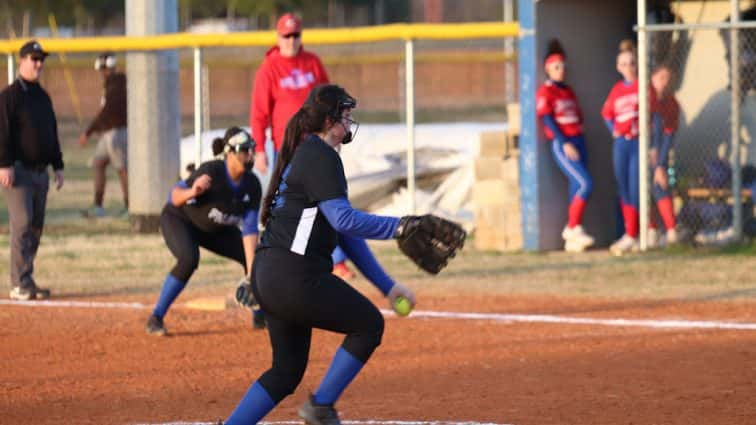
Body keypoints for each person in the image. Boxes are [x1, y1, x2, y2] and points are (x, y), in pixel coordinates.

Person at [219, 84, 416, 425]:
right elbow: (344, 219)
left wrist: (387, 286)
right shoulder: (320, 156)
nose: (349, 122)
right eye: (345, 115)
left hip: (269, 276)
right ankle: (320, 406)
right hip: (295, 276)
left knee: (286, 371)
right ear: (329, 121)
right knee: (368, 325)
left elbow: (343, 232)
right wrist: (399, 227)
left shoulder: (308, 153)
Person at [249, 13, 355, 280]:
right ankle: (287, 258)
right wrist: (260, 148)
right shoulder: (269, 67)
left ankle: (337, 260)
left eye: (296, 35)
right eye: (286, 36)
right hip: (285, 148)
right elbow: (259, 112)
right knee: (292, 205)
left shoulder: (312, 62)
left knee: (329, 199)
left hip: (318, 144)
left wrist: (336, 134)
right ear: (278, 37)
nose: (291, 41)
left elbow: (333, 101)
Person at [145, 127, 262, 336]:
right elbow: (175, 197)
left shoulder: (252, 184)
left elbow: (250, 230)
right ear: (230, 153)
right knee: (189, 259)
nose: (250, 155)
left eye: (252, 150)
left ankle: (259, 315)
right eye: (245, 150)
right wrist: (193, 191)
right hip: (180, 219)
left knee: (256, 256)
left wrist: (252, 272)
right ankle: (156, 317)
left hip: (214, 230)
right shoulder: (212, 172)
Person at [0, 40, 64, 300]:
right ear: (22, 60)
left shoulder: (42, 96)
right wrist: (3, 164)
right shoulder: (10, 96)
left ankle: (26, 278)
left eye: (41, 60)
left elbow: (51, 132)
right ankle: (18, 283)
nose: (39, 64)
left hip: (41, 172)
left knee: (35, 225)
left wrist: (58, 165)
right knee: (23, 223)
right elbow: (2, 133)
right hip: (19, 171)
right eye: (34, 59)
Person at [536, 39, 594, 252]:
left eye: (563, 66)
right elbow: (547, 118)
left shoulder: (568, 91)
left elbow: (577, 117)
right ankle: (571, 227)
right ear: (548, 69)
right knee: (586, 184)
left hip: (579, 141)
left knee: (575, 187)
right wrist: (564, 142)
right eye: (556, 67)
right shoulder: (546, 91)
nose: (561, 71)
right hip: (564, 145)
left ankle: (573, 237)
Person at [602, 40, 643, 256]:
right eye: (624, 64)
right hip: (621, 144)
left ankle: (635, 233)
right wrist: (613, 130)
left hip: (637, 142)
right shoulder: (617, 90)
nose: (628, 67)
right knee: (623, 187)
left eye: (632, 63)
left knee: (636, 187)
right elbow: (606, 114)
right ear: (618, 67)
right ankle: (629, 233)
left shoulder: (642, 87)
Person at [78, 52, 128, 218]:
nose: (102, 73)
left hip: (117, 133)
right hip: (108, 134)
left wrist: (89, 131)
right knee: (98, 163)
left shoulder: (117, 83)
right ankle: (98, 206)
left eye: (103, 69)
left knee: (122, 169)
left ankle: (130, 206)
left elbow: (107, 111)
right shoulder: (110, 83)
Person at [647, 64, 680, 247]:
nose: (664, 82)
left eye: (668, 78)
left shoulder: (672, 104)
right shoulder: (647, 98)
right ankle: (651, 230)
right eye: (661, 77)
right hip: (642, 149)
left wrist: (659, 164)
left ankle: (671, 231)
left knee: (661, 186)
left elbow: (669, 136)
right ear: (652, 78)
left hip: (660, 152)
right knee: (643, 190)